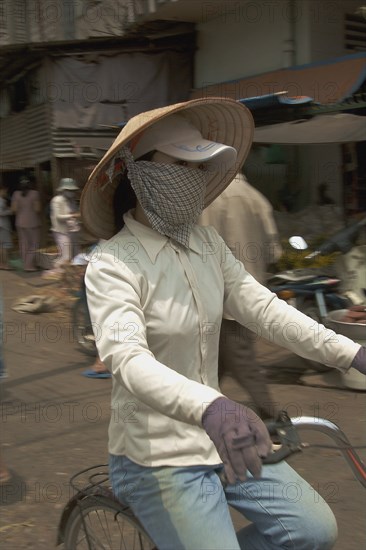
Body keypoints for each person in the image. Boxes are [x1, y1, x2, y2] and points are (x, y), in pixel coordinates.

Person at [80, 98, 366, 550]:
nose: (194, 180)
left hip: (224, 439)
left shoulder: (206, 244)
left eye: (201, 168)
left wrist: (351, 353)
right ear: (140, 171)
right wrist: (211, 406)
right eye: (182, 165)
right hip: (157, 458)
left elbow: (265, 310)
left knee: (313, 531)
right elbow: (128, 361)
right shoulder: (113, 264)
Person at [199, 172, 282, 419]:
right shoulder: (256, 198)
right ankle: (199, 410)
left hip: (220, 294)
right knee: (218, 361)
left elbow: (200, 247)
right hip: (250, 292)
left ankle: (272, 418)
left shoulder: (210, 199)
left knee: (239, 359)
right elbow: (274, 252)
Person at [11, 175, 41, 271]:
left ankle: (26, 264)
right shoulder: (35, 194)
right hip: (32, 222)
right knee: (34, 244)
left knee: (23, 244)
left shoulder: (16, 194)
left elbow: (14, 209)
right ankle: (29, 265)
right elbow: (37, 209)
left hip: (19, 221)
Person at [50, 178, 81, 269]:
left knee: (76, 255)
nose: (71, 192)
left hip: (72, 230)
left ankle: (71, 275)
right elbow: (58, 217)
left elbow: (74, 213)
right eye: (69, 190)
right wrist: (73, 216)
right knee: (65, 257)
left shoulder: (71, 200)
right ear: (63, 190)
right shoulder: (57, 200)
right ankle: (57, 270)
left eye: (72, 190)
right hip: (61, 231)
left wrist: (76, 219)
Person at [0, 185, 13, 270]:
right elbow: (1, 213)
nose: (5, 193)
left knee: (1, 246)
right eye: (5, 191)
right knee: (4, 246)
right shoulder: (1, 201)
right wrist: (10, 211)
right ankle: (5, 264)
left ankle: (2, 263)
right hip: (3, 225)